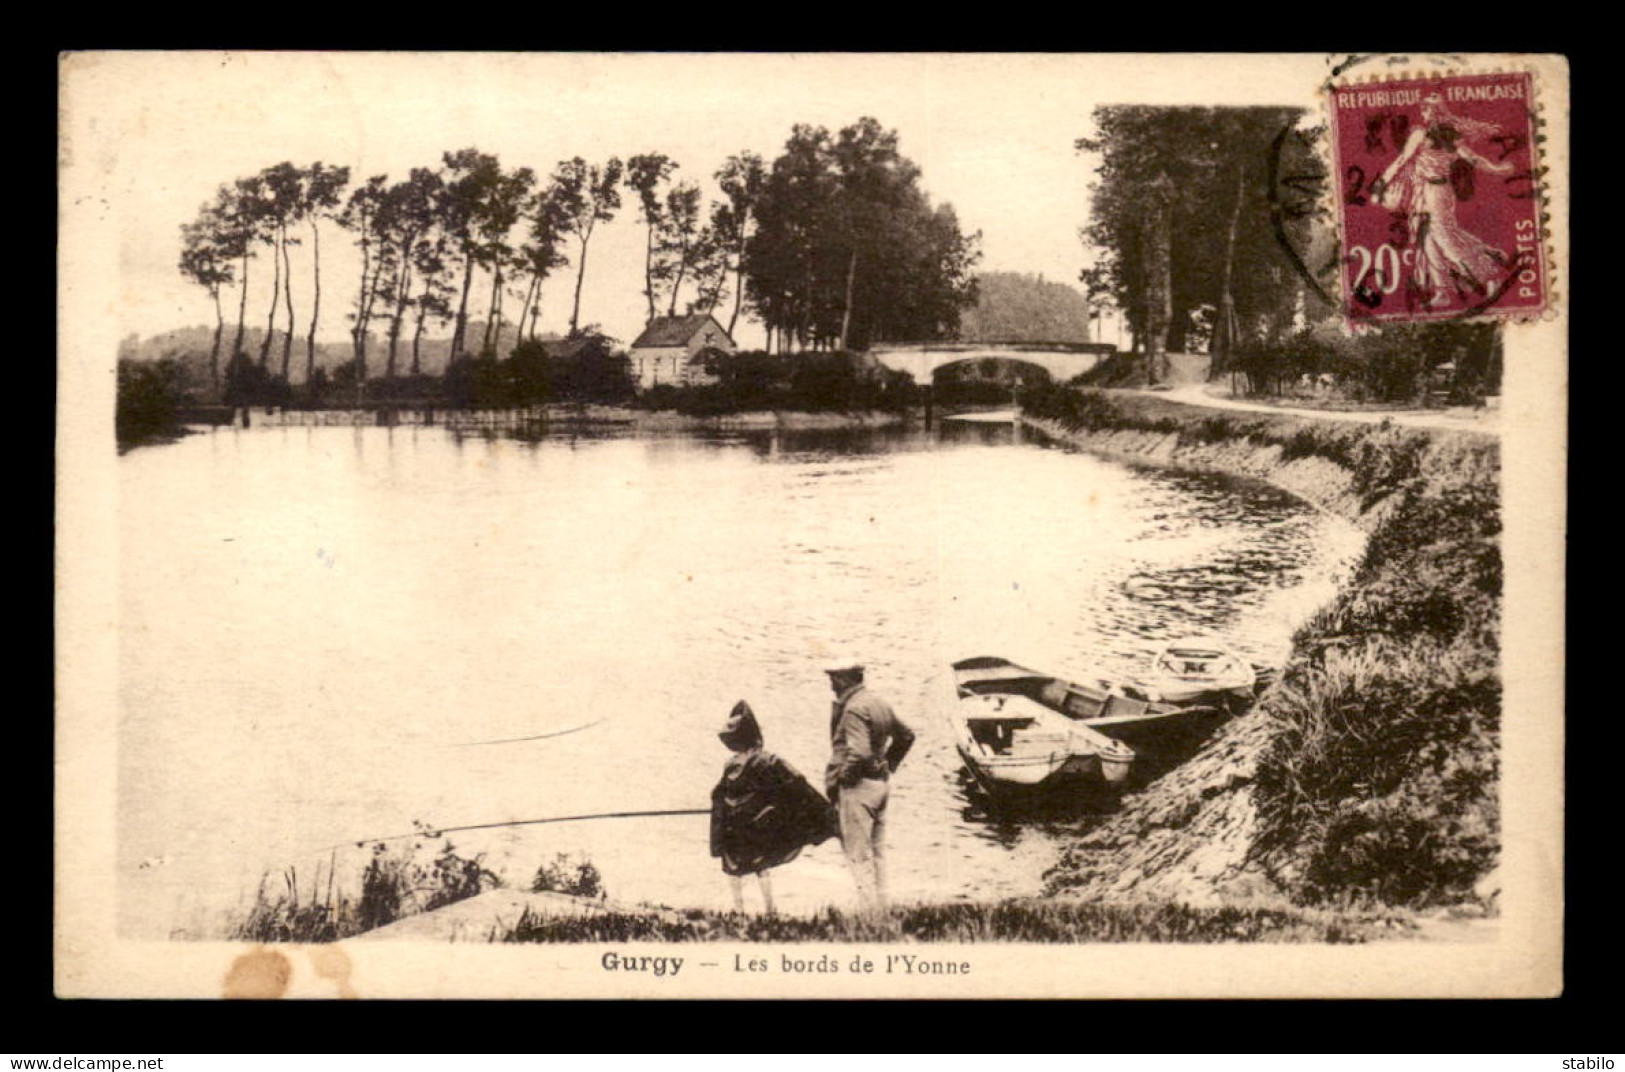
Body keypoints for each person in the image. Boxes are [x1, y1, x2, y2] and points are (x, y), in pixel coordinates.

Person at [1372, 93, 1517, 309]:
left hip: (1438, 193)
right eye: (1424, 109)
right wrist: (1381, 184)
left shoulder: (1449, 135)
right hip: (1424, 192)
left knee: (1445, 238)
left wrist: (1496, 169)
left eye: (1429, 109)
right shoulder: (1421, 134)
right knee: (1428, 240)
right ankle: (1443, 291)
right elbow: (1402, 160)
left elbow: (1473, 159)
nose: (1425, 113)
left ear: (1439, 112)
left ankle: (1487, 274)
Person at [709, 700, 835, 915]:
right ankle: (770, 909)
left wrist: (723, 809)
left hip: (734, 825)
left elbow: (719, 792)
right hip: (756, 823)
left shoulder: (730, 764)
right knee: (761, 867)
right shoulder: (767, 760)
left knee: (733, 869)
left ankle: (739, 911)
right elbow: (796, 781)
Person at [823, 657, 915, 914]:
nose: (831, 684)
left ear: (844, 679)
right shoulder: (877, 701)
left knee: (858, 855)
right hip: (880, 786)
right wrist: (887, 764)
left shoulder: (853, 709)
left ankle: (867, 914)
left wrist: (843, 778)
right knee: (878, 854)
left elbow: (859, 753)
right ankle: (882, 908)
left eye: (833, 678)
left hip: (859, 789)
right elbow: (906, 735)